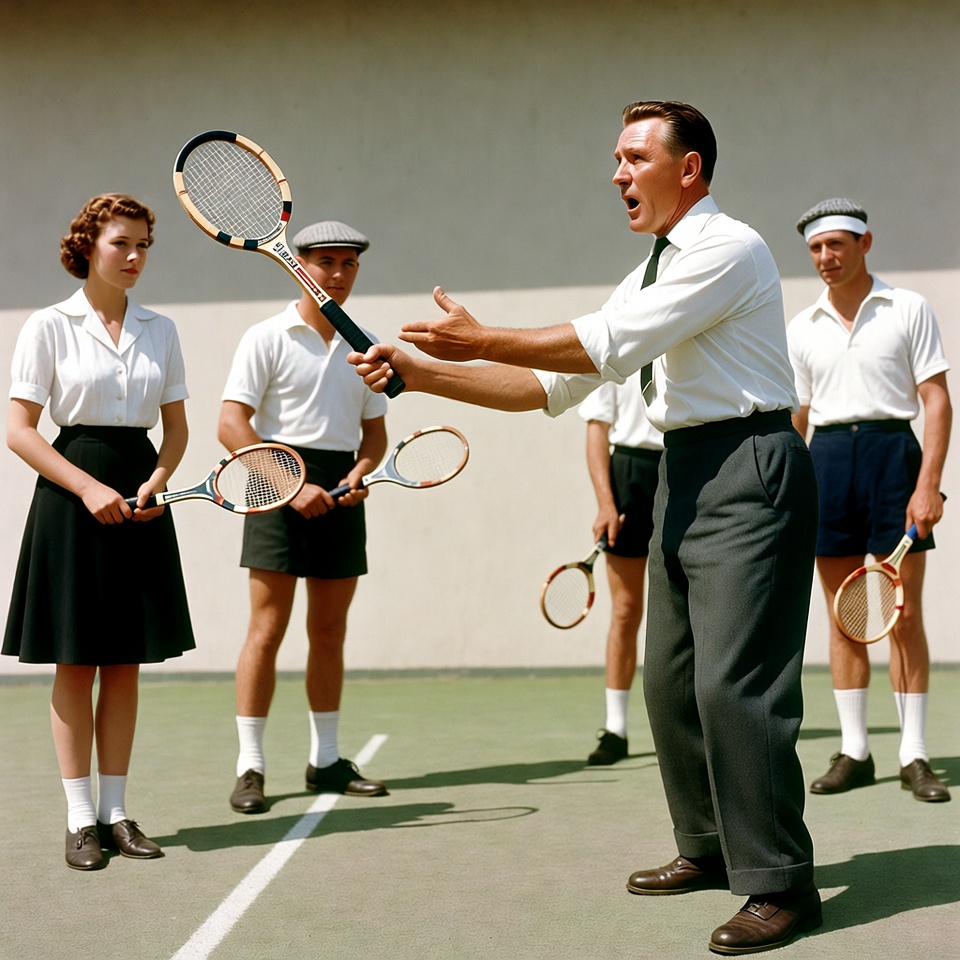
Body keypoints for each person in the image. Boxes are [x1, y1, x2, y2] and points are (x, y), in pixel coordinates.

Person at [351, 100, 822, 954]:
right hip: (684, 471)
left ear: (689, 170)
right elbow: (552, 389)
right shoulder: (647, 273)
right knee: (670, 680)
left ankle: (782, 882)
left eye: (634, 157)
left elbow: (600, 346)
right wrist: (422, 374)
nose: (616, 173)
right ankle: (711, 848)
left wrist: (480, 337)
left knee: (735, 687)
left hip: (752, 464)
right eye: (615, 157)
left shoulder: (727, 247)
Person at [3, 194, 195, 871]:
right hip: (70, 491)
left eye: (145, 244)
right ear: (89, 245)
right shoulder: (48, 326)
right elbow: (19, 430)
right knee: (75, 659)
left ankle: (117, 814)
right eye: (122, 243)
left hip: (139, 491)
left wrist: (159, 479)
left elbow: (176, 430)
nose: (136, 256)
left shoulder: (161, 329)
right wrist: (86, 487)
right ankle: (79, 819)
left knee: (124, 662)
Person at [219, 220, 389, 815]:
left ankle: (326, 761)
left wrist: (361, 473)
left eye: (348, 263)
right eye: (326, 262)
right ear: (300, 265)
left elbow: (374, 434)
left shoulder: (365, 343)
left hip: (338, 490)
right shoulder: (265, 336)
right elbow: (231, 426)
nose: (338, 274)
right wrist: (290, 487)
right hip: (276, 485)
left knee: (329, 632)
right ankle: (250, 766)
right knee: (266, 630)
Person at [787, 198, 952, 803]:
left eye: (836, 245)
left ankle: (915, 754)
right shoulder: (800, 328)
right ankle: (854, 750)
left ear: (864, 243)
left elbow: (936, 399)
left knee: (902, 613)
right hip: (828, 462)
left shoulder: (907, 308)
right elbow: (798, 417)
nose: (825, 258)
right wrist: (791, 493)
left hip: (892, 458)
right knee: (845, 615)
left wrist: (928, 482)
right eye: (815, 249)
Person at [578, 375, 662, 765]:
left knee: (690, 609)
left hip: (683, 466)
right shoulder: (614, 336)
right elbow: (597, 429)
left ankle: (693, 723)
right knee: (626, 610)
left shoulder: (688, 318)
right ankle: (616, 729)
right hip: (629, 473)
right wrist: (605, 504)